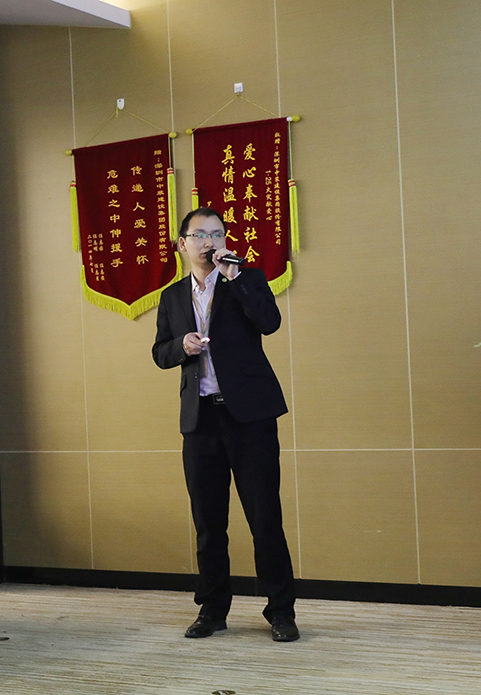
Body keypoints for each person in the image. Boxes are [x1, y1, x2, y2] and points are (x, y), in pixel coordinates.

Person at [152, 207, 298, 642]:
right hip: (200, 419)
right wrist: (181, 346)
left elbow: (269, 323)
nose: (209, 242)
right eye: (200, 235)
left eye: (217, 234)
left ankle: (281, 612)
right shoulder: (172, 296)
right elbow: (160, 352)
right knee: (208, 522)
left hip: (249, 417)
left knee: (265, 518)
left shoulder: (246, 279)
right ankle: (212, 610)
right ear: (183, 244)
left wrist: (236, 279)